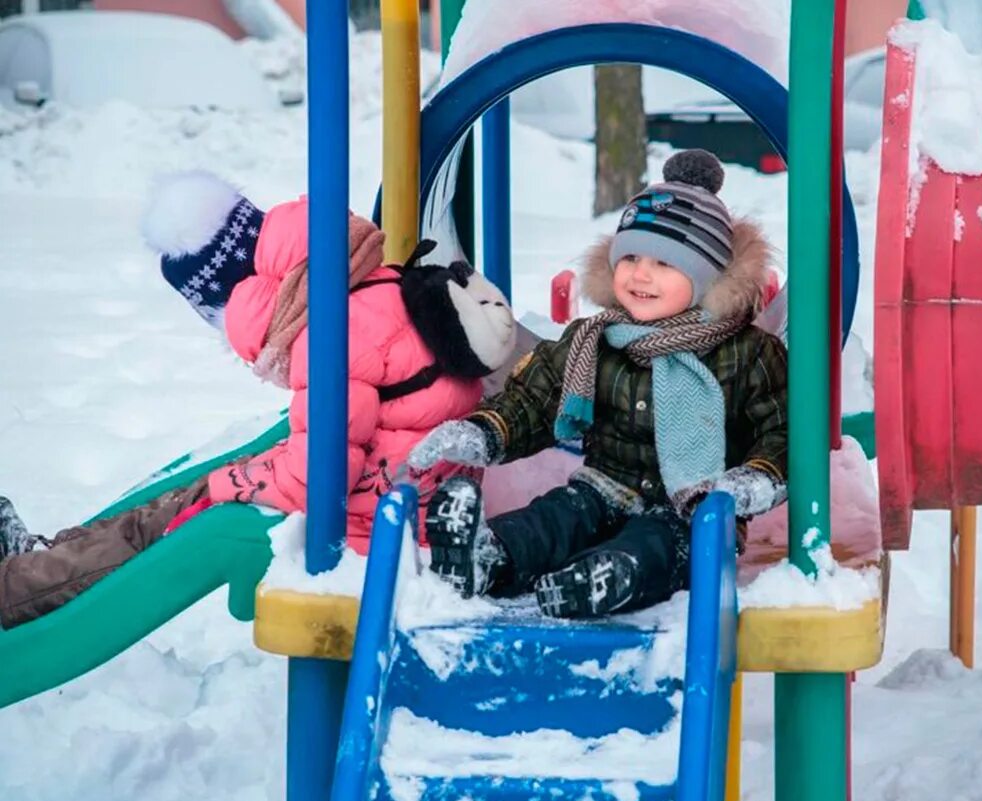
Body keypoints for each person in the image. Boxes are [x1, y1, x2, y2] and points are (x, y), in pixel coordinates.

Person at [0, 173, 515, 629]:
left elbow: (323, 475)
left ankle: (17, 590)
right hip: (407, 496)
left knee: (174, 519)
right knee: (184, 498)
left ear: (235, 301)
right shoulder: (369, 281)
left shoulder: (334, 332)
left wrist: (233, 483)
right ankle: (44, 559)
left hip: (379, 525)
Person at [408, 149, 788, 619]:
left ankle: (606, 578)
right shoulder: (598, 337)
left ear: (708, 278)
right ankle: (488, 557)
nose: (640, 274)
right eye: (629, 257)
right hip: (603, 487)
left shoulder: (748, 353)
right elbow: (536, 398)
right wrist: (485, 431)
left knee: (658, 547)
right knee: (555, 518)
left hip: (693, 513)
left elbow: (782, 427)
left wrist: (758, 477)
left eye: (666, 264)